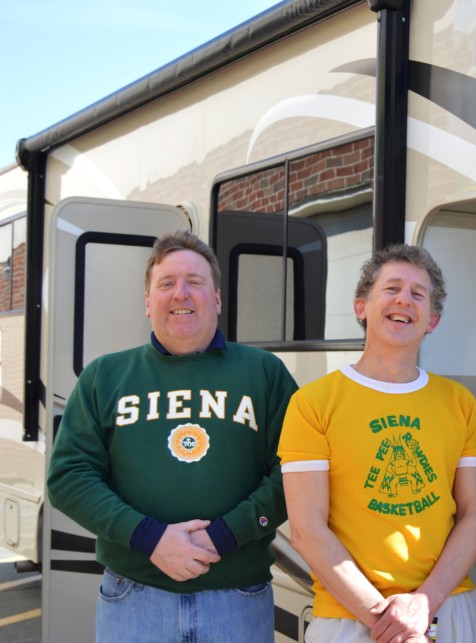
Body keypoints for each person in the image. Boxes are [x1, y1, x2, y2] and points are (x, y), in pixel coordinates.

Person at [47, 229, 298, 642]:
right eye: (166, 284)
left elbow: (296, 472)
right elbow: (68, 477)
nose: (180, 294)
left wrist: (223, 536)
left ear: (217, 298)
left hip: (237, 598)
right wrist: (150, 538)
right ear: (148, 302)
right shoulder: (104, 376)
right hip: (134, 598)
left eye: (195, 283)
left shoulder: (264, 373)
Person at [278, 244, 476, 643]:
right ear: (362, 306)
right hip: (349, 615)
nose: (403, 300)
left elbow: (475, 514)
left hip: (446, 606)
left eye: (417, 294)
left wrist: (423, 603)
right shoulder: (313, 403)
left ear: (433, 320)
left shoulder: (458, 402)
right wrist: (391, 624)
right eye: (391, 288)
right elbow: (306, 530)